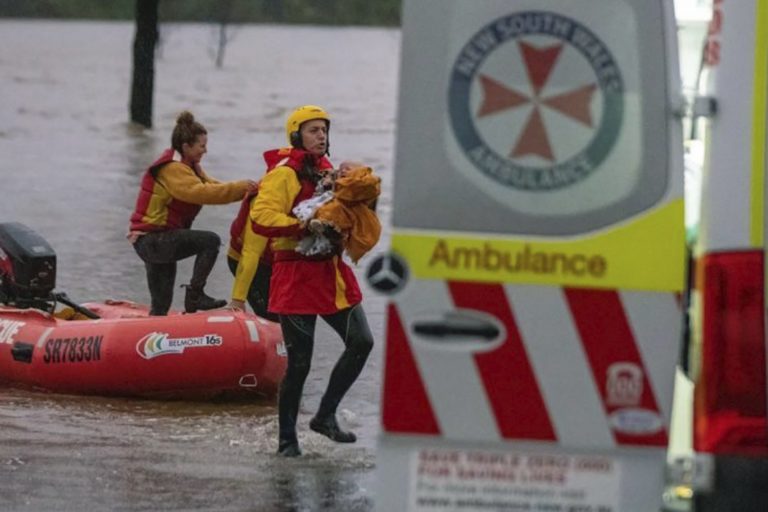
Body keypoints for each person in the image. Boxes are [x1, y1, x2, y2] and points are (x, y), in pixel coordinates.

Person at [250, 105, 376, 457]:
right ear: (296, 136)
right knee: (300, 363)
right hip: (294, 276)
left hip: (331, 274)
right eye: (313, 130)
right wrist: (304, 224)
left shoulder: (331, 173)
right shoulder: (283, 174)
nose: (321, 136)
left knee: (361, 342)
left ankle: (324, 416)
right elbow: (261, 217)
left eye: (324, 130)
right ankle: (287, 442)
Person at [128, 111, 255, 316]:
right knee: (210, 241)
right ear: (186, 146)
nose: (205, 150)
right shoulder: (173, 168)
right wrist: (240, 188)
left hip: (157, 240)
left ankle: (153, 335)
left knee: (161, 305)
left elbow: (212, 186)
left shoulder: (189, 166)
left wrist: (247, 190)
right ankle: (195, 294)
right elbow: (200, 193)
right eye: (202, 146)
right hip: (153, 241)